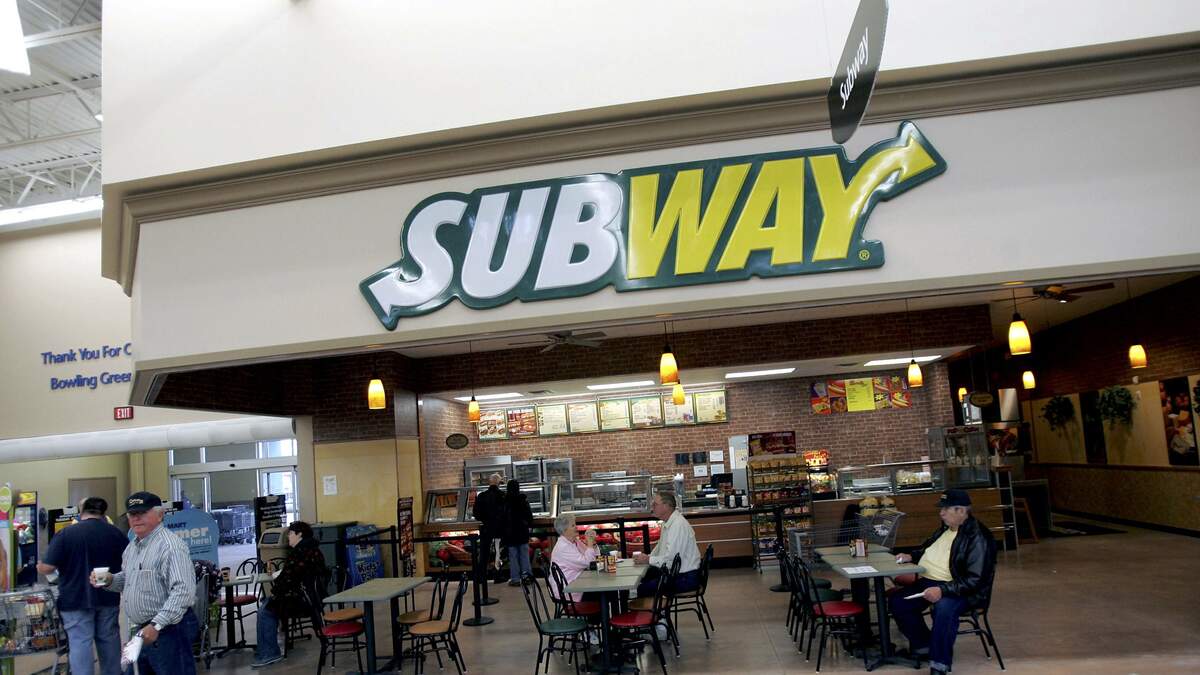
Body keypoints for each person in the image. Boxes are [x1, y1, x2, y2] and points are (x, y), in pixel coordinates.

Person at [889, 489, 996, 675]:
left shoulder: (978, 537)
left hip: (960, 590)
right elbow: (928, 549)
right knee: (899, 602)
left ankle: (939, 664)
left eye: (946, 509)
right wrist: (911, 556)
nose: (941, 513)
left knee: (944, 609)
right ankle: (924, 646)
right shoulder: (946, 529)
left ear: (961, 511)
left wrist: (943, 590)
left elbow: (975, 580)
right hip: (930, 582)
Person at [92, 492, 198, 675]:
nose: (136, 518)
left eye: (142, 513)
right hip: (143, 631)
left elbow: (183, 592)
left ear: (160, 515)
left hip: (169, 631)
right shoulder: (133, 547)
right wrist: (110, 580)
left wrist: (156, 625)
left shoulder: (170, 547)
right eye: (132, 514)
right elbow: (129, 580)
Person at [37, 497, 128, 675]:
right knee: (109, 640)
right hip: (108, 597)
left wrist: (39, 566)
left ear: (81, 512)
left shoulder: (66, 534)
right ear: (103, 513)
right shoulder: (115, 534)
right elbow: (129, 561)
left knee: (80, 642)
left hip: (74, 599)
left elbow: (48, 567)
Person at [252, 521, 327, 669]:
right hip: (313, 599)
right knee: (267, 604)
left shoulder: (299, 553)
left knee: (265, 611)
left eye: (291, 533)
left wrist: (275, 592)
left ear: (300, 534)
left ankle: (269, 653)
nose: (288, 537)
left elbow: (287, 579)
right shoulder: (314, 550)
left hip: (301, 601)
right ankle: (264, 649)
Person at [633, 492, 701, 596]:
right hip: (678, 573)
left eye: (655, 504)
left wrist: (648, 559)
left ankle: (653, 607)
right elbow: (660, 548)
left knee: (641, 588)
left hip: (685, 578)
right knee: (643, 577)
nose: (652, 507)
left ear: (666, 506)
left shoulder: (677, 525)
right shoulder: (668, 522)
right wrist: (647, 558)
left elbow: (671, 561)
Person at [548, 513, 598, 602]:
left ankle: (605, 610)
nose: (576, 527)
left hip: (577, 583)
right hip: (568, 590)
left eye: (575, 524)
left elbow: (595, 556)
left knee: (607, 591)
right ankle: (602, 611)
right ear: (565, 530)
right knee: (604, 593)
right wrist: (589, 543)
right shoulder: (563, 547)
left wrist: (592, 543)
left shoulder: (574, 541)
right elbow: (588, 563)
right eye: (573, 525)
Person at [501, 479, 534, 586]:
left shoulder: (505, 501)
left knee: (513, 556)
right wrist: (528, 525)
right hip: (522, 532)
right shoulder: (523, 500)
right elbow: (529, 517)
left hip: (510, 533)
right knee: (524, 555)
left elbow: (502, 518)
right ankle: (527, 577)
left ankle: (515, 579)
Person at [472, 473, 505, 576]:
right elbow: (506, 512)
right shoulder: (503, 495)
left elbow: (476, 513)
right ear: (498, 483)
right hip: (499, 529)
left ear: (489, 483)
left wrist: (484, 519)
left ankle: (482, 575)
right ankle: (498, 575)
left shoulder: (482, 496)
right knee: (498, 552)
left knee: (484, 552)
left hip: (486, 528)